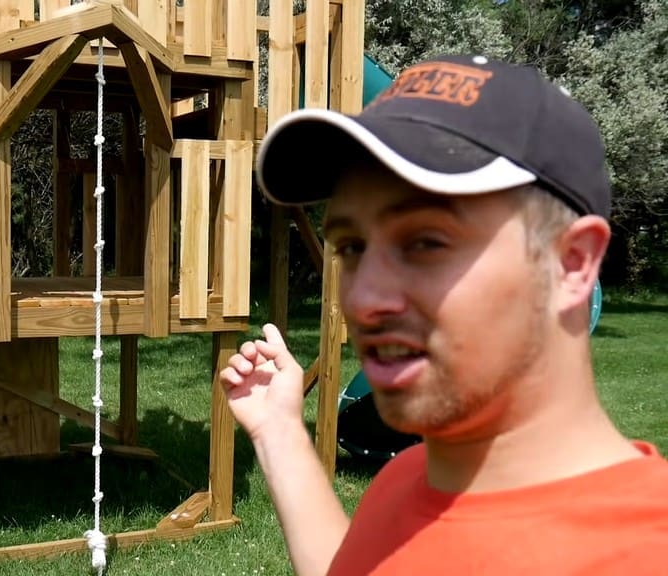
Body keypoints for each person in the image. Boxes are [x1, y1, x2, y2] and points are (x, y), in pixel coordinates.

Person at [221, 54, 668, 575]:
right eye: (352, 246)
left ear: (571, 264)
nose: (363, 298)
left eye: (426, 243)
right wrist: (280, 434)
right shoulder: (407, 482)